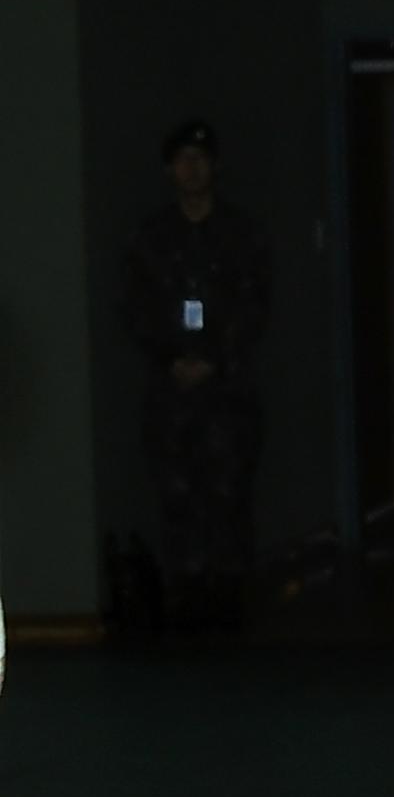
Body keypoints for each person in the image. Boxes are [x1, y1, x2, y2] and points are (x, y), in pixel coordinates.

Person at [120, 118, 270, 627]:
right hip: (171, 395)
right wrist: (171, 360)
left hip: (227, 392)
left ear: (216, 167)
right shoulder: (151, 237)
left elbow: (255, 305)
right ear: (170, 169)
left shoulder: (241, 233)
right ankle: (185, 594)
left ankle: (229, 596)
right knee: (177, 495)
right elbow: (135, 306)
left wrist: (215, 360)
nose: (192, 168)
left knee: (228, 494)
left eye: (201, 159)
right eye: (183, 159)